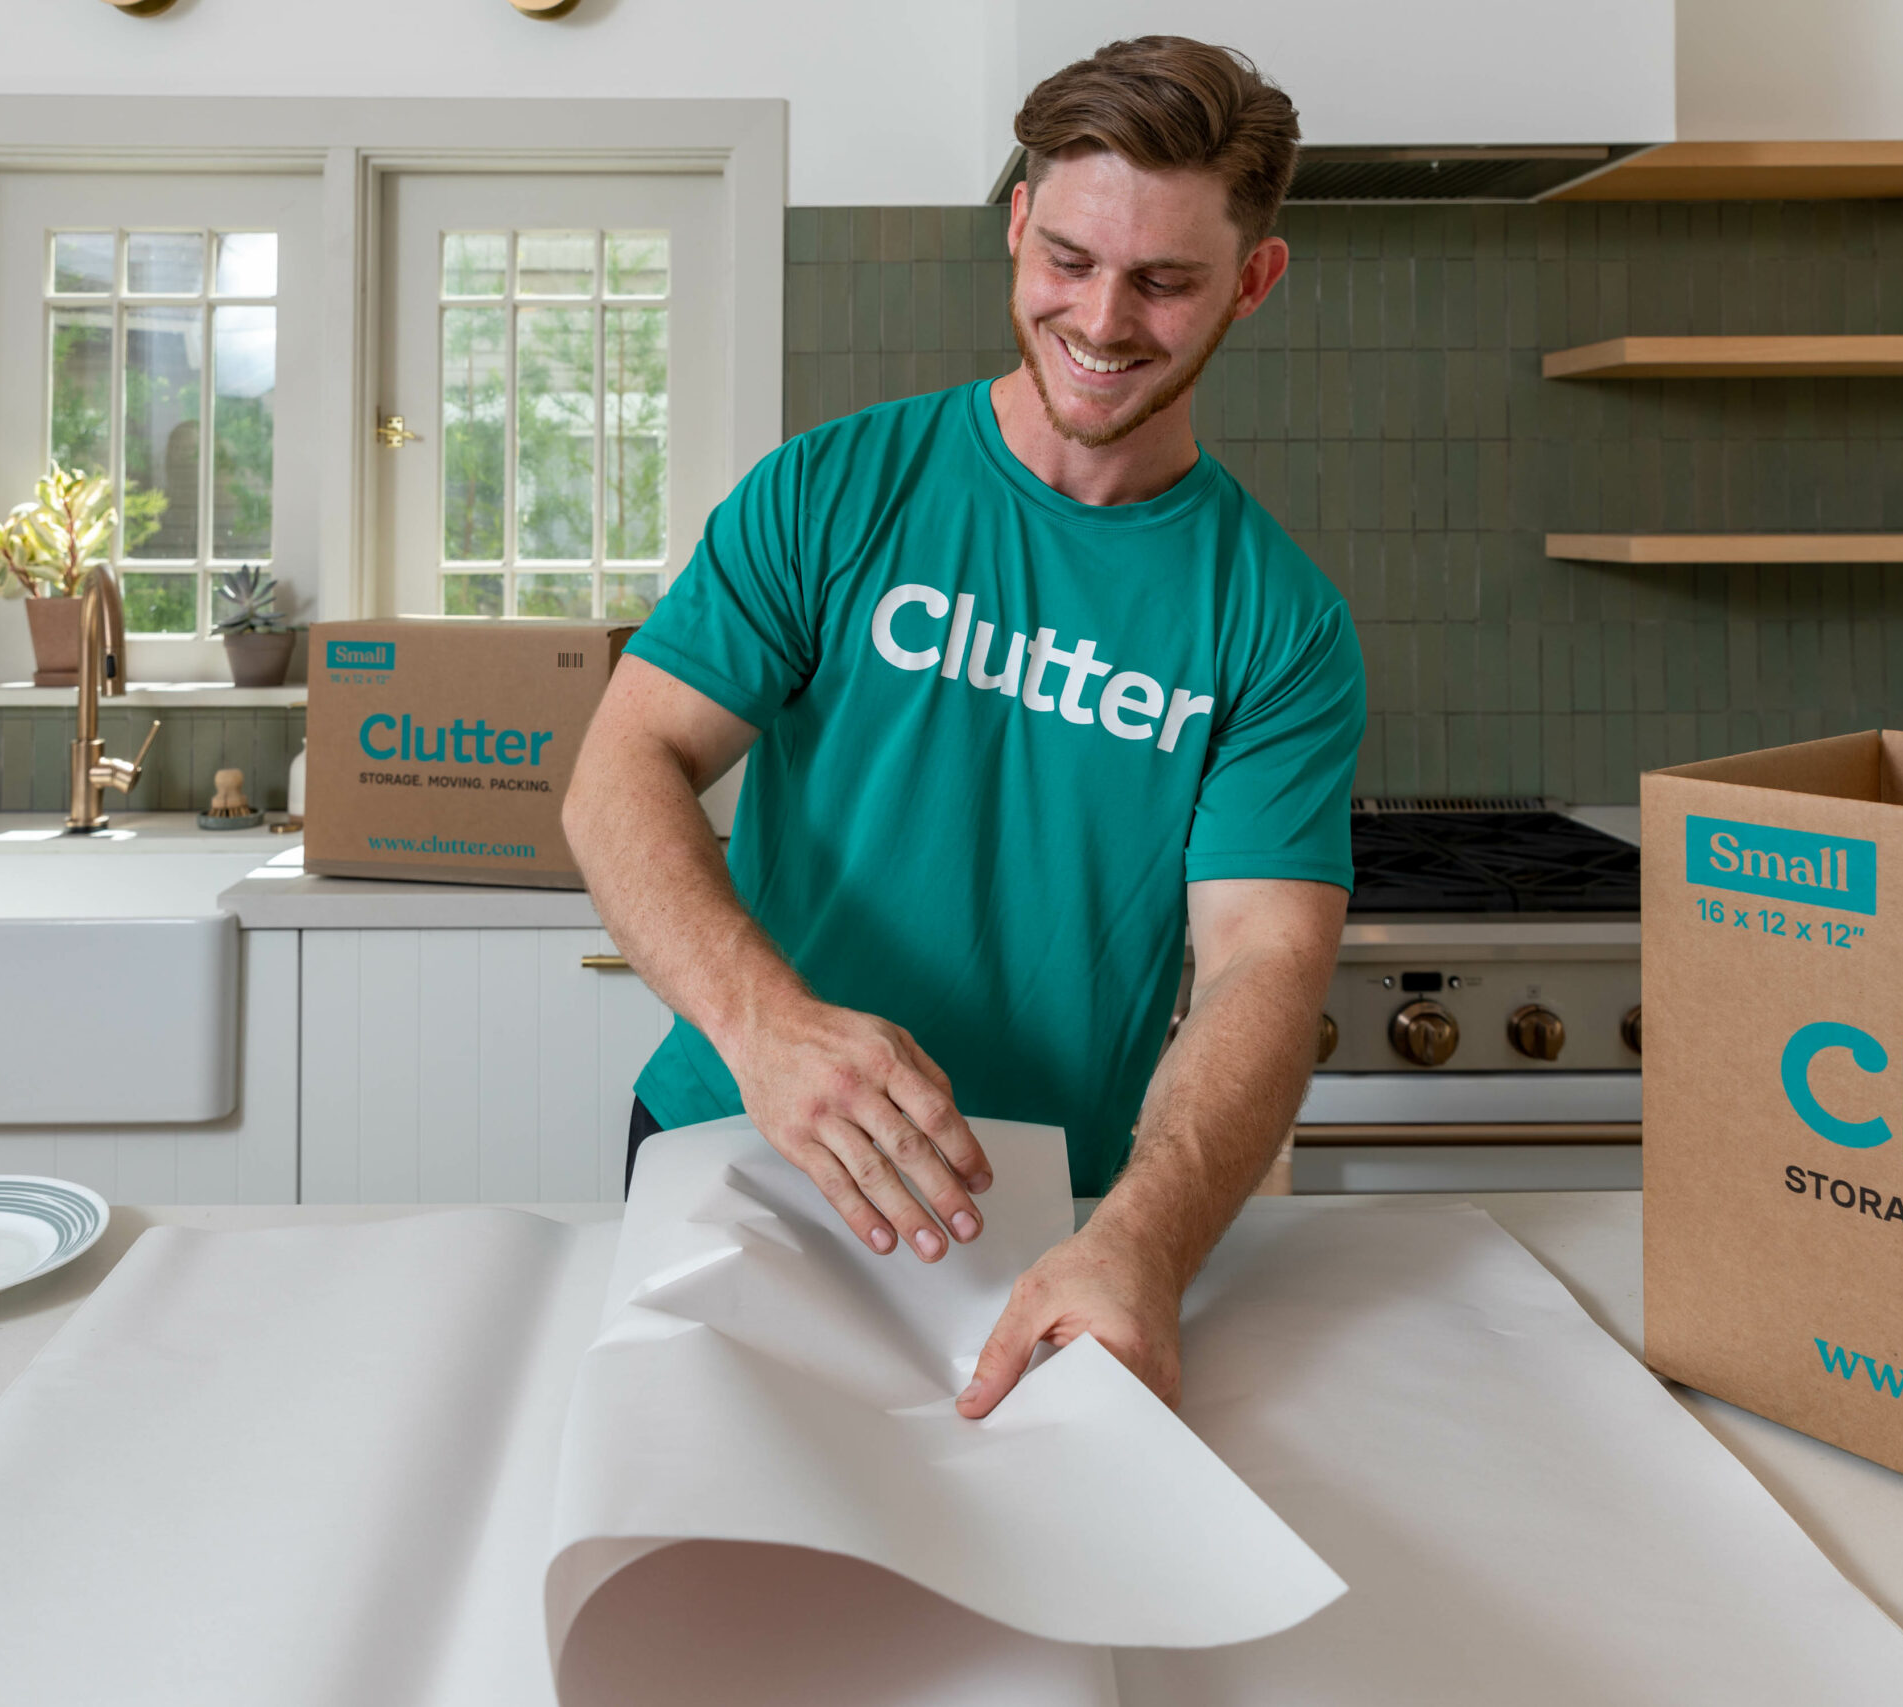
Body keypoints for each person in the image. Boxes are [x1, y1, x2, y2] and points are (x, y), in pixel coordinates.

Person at [562, 36, 1364, 1419]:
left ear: (1253, 279)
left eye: (1165, 282)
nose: (1103, 319)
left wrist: (1147, 1239)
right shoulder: (832, 489)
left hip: (1037, 1216)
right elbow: (623, 768)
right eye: (1067, 259)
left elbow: (1264, 963)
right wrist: (770, 1031)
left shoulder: (1278, 623)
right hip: (731, 1138)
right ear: (1016, 224)